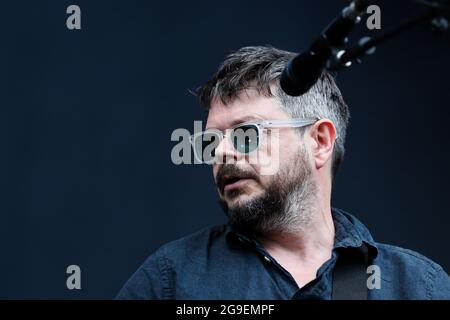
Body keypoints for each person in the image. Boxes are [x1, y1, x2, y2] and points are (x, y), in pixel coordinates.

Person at [117, 46, 450, 299]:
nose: (221, 152)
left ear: (319, 141)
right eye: (211, 142)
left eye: (246, 134)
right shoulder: (171, 279)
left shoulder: (419, 285)